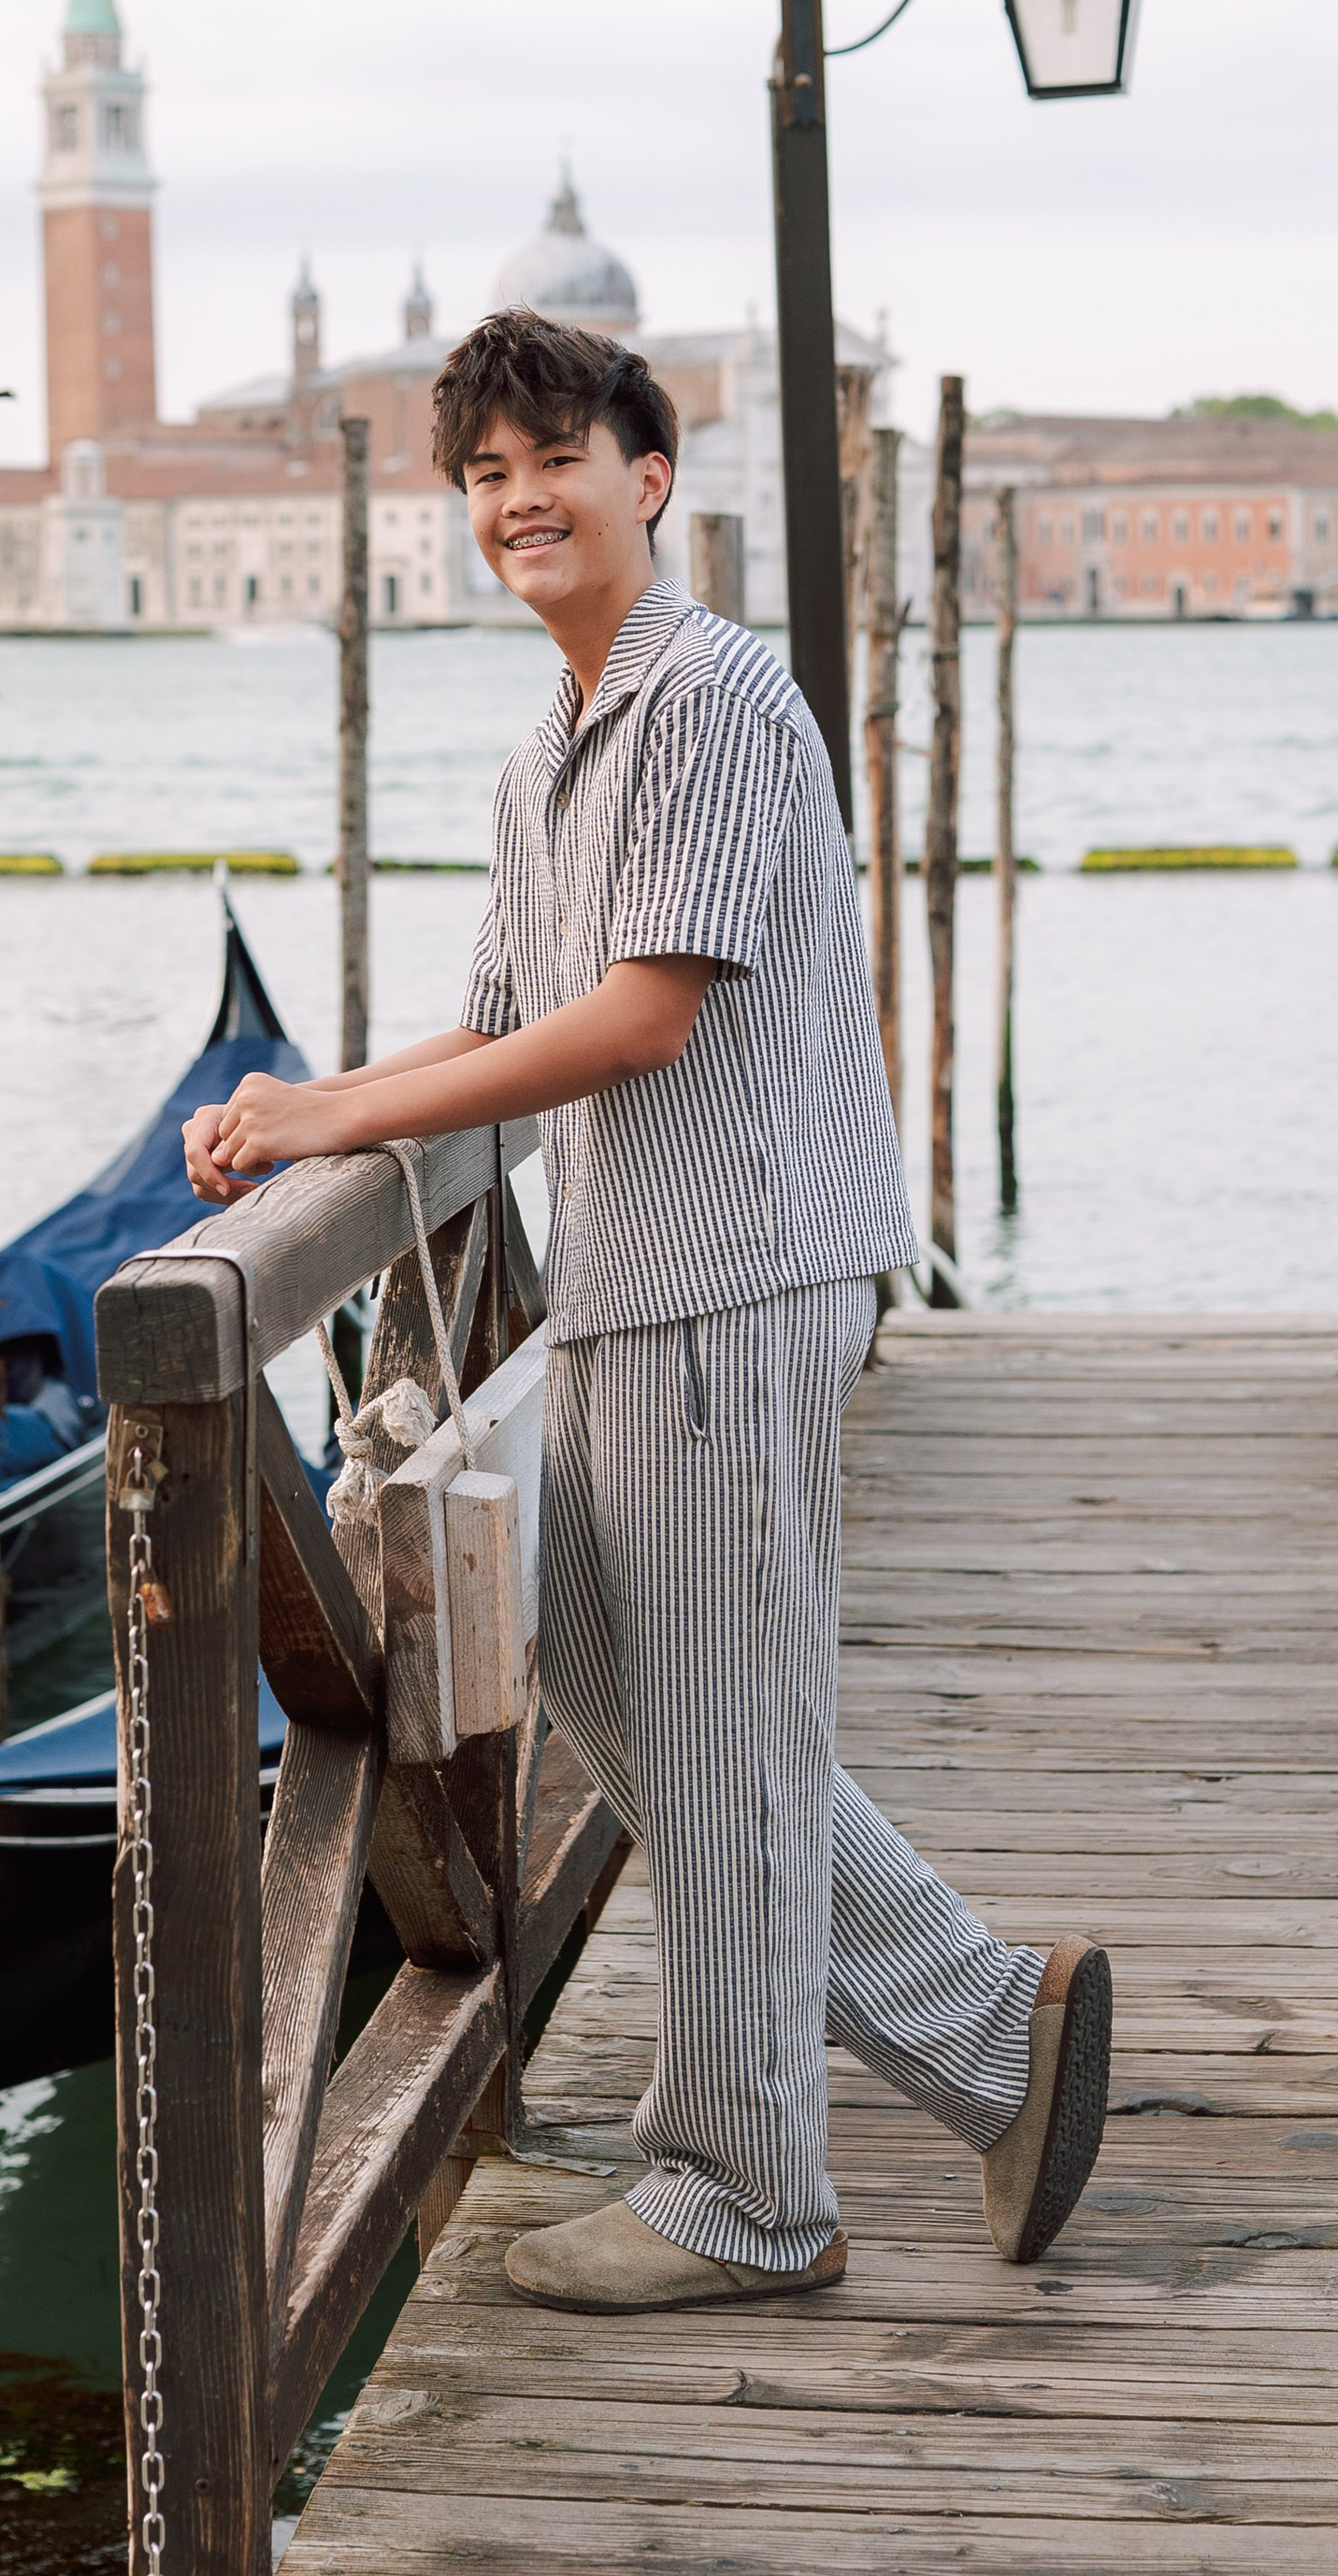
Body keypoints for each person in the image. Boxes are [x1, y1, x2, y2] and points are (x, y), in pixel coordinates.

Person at [184, 308, 1108, 2314]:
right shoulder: (550, 745)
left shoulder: (710, 699)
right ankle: (980, 2023)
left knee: (712, 1725)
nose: (519, 499)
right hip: (631, 1289)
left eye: (554, 461)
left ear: (649, 478)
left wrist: (342, 1113)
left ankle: (745, 2187)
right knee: (630, 1694)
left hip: (730, 1279)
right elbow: (503, 1024)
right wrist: (313, 1102)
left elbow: (637, 1018)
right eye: (485, 475)